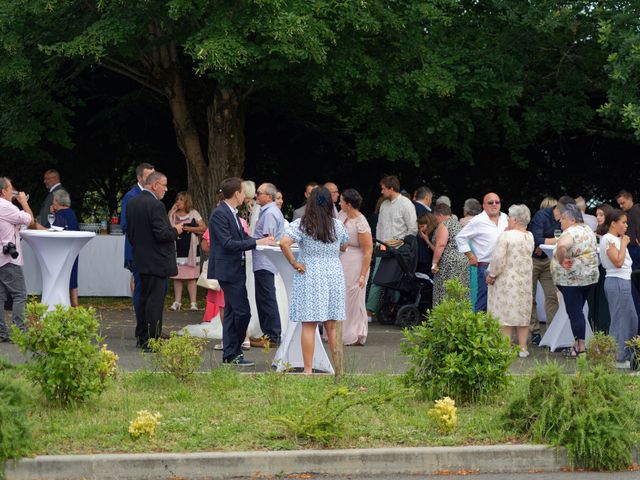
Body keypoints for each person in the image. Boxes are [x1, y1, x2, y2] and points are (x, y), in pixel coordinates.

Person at [279, 187, 348, 373]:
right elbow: (345, 245)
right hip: (333, 272)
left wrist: (294, 262)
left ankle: (308, 370)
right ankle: (339, 369)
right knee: (332, 326)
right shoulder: (338, 225)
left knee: (309, 325)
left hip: (310, 273)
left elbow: (283, 243)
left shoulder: (302, 224)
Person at [208, 177, 274, 366]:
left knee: (230, 312)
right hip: (227, 270)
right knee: (242, 312)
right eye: (243, 192)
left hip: (235, 269)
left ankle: (231, 354)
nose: (245, 195)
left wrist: (262, 241)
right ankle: (234, 351)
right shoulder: (220, 214)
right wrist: (256, 242)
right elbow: (228, 244)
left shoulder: (232, 213)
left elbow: (243, 237)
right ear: (236, 193)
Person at [126, 171, 182, 352]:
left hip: (141, 259)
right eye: (164, 185)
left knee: (142, 299)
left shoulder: (132, 202)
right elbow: (162, 234)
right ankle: (152, 340)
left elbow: (131, 233)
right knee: (155, 302)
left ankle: (142, 336)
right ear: (154, 185)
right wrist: (176, 230)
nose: (166, 189)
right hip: (157, 261)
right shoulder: (156, 205)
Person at [366, 175, 417, 320]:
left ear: (391, 188)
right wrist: (377, 246)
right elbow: (379, 227)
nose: (381, 192)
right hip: (382, 249)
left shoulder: (406, 204)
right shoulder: (384, 205)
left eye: (383, 188)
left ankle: (392, 311)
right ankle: (369, 312)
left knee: (395, 282)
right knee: (377, 280)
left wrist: (400, 242)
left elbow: (412, 229)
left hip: (397, 250)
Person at [551, 203, 599, 357]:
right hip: (589, 278)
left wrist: (562, 259)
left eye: (562, 218)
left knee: (575, 312)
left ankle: (580, 347)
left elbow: (562, 247)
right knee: (578, 310)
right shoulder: (587, 229)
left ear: (571, 220)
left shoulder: (570, 232)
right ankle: (578, 343)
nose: (560, 221)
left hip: (572, 280)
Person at [486, 205, 534, 357]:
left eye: (508, 217)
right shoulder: (530, 236)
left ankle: (504, 347)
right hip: (524, 280)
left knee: (505, 314)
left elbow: (498, 259)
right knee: (522, 313)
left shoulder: (506, 236)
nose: (506, 219)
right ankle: (522, 348)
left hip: (506, 280)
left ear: (515, 219)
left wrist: (492, 275)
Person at [527, 195, 576, 345]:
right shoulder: (542, 215)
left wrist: (547, 242)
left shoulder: (564, 220)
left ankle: (551, 332)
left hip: (549, 259)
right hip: (533, 260)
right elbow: (536, 239)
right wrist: (556, 241)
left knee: (552, 296)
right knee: (530, 297)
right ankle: (534, 332)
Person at [455, 192, 508, 312]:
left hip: (504, 266)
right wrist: (470, 256)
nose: (494, 204)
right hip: (485, 265)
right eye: (490, 202)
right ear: (484, 205)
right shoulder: (477, 221)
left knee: (501, 301)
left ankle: (497, 330)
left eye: (497, 202)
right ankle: (476, 328)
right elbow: (460, 238)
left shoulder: (506, 218)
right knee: (483, 301)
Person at [599, 209, 638, 368]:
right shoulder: (609, 238)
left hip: (622, 281)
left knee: (630, 318)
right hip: (617, 281)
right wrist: (623, 244)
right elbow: (618, 262)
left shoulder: (614, 238)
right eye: (623, 222)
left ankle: (626, 355)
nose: (626, 225)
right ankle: (618, 357)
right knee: (621, 320)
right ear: (613, 224)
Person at [120, 162, 155, 331]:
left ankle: (151, 325)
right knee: (141, 288)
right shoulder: (131, 196)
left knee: (150, 289)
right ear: (139, 178)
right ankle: (142, 327)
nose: (152, 179)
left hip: (150, 252)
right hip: (137, 250)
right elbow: (125, 224)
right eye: (149, 176)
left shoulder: (152, 195)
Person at [251, 182, 285, 347]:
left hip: (265, 261)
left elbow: (268, 239)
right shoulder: (268, 211)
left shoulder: (270, 213)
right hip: (263, 261)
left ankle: (272, 335)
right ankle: (268, 333)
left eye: (259, 193)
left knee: (266, 298)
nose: (256, 195)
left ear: (269, 196)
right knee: (263, 297)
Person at [0, 177, 33, 342]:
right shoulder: (6, 206)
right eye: (10, 188)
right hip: (8, 258)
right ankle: (19, 332)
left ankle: (1, 332)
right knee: (20, 294)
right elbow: (30, 219)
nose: (12, 191)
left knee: (0, 296)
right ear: (4, 191)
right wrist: (22, 201)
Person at [337, 188, 372, 346]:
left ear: (349, 204)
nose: (339, 202)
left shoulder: (361, 222)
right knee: (341, 295)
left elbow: (368, 250)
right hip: (341, 259)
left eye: (342, 200)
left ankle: (355, 333)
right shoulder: (341, 215)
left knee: (354, 296)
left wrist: (363, 274)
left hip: (356, 262)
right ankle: (339, 331)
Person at [35, 189, 80, 306]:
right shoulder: (71, 213)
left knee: (60, 279)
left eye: (54, 200)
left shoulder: (60, 215)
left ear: (57, 201)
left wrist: (35, 224)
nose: (52, 203)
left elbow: (50, 231)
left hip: (60, 253)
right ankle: (75, 307)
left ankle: (59, 305)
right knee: (73, 279)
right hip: (72, 250)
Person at [168, 192, 206, 311]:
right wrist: (171, 212)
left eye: (181, 200)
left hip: (191, 249)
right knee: (177, 276)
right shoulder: (173, 214)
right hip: (177, 249)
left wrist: (188, 228)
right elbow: (167, 228)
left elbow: (203, 228)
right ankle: (177, 302)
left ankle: (193, 303)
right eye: (177, 199)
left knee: (191, 277)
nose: (178, 202)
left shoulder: (193, 213)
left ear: (187, 202)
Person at [430, 203, 469, 306]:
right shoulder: (458, 224)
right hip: (463, 260)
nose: (436, 221)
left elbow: (441, 245)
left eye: (435, 218)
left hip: (449, 264)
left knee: (445, 291)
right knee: (459, 291)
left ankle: (444, 317)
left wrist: (434, 263)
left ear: (439, 215)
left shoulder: (444, 225)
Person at [615, 190, 640, 319]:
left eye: (623, 203)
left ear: (630, 199)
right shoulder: (630, 212)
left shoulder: (636, 210)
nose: (621, 206)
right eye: (619, 204)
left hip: (635, 251)